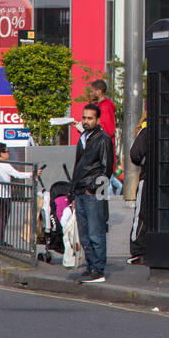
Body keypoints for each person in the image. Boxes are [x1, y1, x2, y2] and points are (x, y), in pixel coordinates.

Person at [70, 103, 114, 283]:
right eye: (84, 118)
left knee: (96, 232)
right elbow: (78, 166)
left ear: (97, 120)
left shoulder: (102, 139)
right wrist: (73, 192)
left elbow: (107, 169)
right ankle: (91, 266)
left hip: (92, 191)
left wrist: (92, 188)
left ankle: (98, 268)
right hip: (81, 190)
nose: (86, 121)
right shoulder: (84, 137)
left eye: (90, 118)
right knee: (85, 233)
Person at [0, 142, 32, 246]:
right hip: (4, 198)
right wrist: (31, 174)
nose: (9, 154)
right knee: (3, 219)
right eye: (7, 152)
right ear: (1, 154)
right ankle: (0, 240)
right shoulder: (5, 166)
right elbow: (17, 174)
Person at [127, 108, 150, 265]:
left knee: (141, 215)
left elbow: (135, 154)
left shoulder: (146, 129)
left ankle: (138, 251)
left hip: (147, 177)